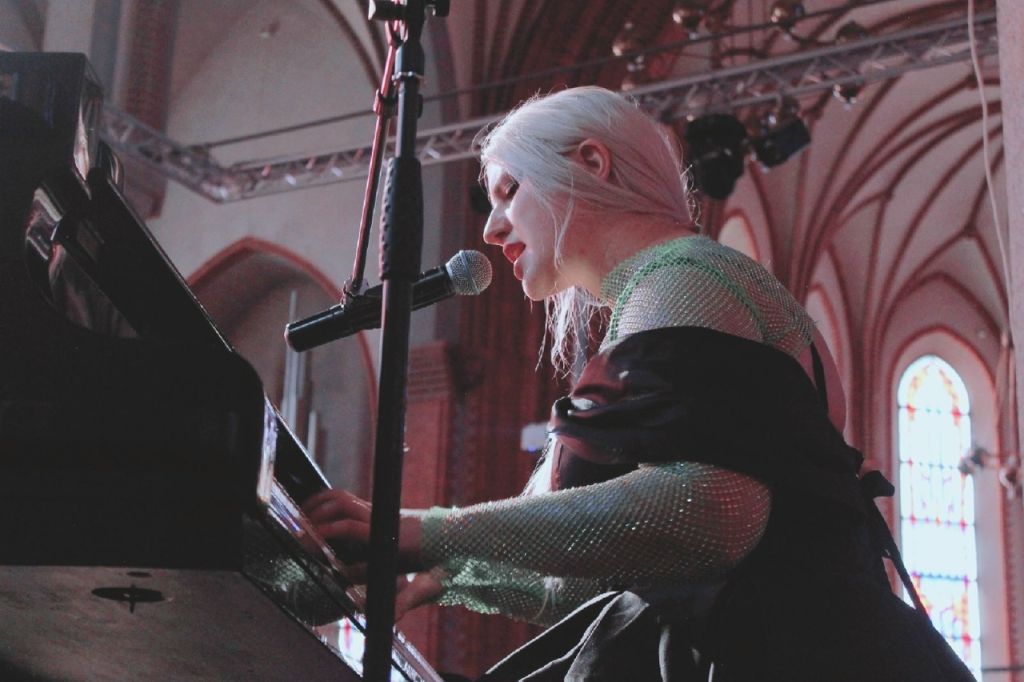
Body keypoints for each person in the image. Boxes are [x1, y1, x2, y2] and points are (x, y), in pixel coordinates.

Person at [302, 86, 974, 681]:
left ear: (592, 163)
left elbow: (713, 514)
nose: (491, 225)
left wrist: (429, 530)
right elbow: (605, 576)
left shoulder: (682, 277)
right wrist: (444, 575)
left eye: (509, 191)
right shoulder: (684, 287)